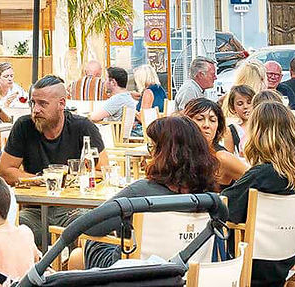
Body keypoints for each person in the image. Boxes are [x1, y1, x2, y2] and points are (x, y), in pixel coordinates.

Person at [67, 116, 219, 270]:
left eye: (152, 147)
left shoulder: (141, 193)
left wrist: (77, 215)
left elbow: (90, 227)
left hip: (133, 274)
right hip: (186, 273)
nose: (149, 154)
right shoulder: (211, 197)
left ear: (164, 153)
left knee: (83, 247)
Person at [0, 75, 108, 247]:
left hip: (72, 209)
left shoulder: (82, 127)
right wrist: (40, 180)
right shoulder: (24, 126)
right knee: (9, 231)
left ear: (62, 104)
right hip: (34, 210)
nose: (35, 110)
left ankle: (73, 272)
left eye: (43, 104)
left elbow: (103, 170)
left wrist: (76, 178)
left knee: (88, 231)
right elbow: (5, 171)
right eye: (33, 103)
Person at [222, 101, 295, 287]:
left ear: (258, 134)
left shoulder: (261, 175)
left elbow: (226, 210)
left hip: (252, 263)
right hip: (285, 258)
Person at [182, 98, 246, 187]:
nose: (206, 125)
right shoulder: (179, 152)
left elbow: (257, 179)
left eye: (212, 120)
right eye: (200, 119)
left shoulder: (222, 158)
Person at [221, 84, 255, 157]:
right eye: (240, 104)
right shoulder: (231, 130)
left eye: (249, 102)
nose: (245, 107)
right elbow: (229, 159)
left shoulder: (261, 125)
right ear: (233, 108)